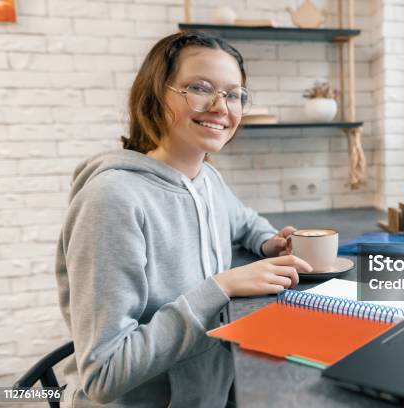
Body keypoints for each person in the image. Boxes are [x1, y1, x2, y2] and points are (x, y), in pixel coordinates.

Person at [55, 31, 312, 407]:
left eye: (234, 94)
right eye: (200, 87)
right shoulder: (112, 199)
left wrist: (268, 240)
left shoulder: (206, 178)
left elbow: (243, 220)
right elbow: (103, 374)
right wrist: (220, 288)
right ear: (157, 95)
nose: (221, 106)